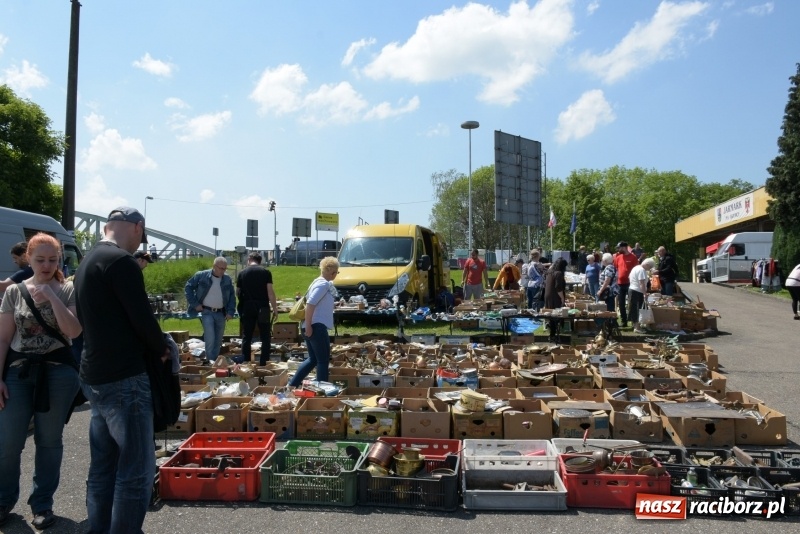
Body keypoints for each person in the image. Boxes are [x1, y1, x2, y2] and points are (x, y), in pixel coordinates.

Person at [74, 207, 168, 534]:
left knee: (103, 466)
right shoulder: (121, 262)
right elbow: (142, 320)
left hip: (94, 374)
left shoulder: (89, 260)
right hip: (124, 376)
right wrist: (162, 349)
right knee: (136, 470)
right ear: (137, 228)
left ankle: (98, 529)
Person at [0, 233, 81, 531]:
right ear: (28, 260)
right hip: (19, 371)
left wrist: (50, 296)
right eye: (40, 260)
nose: (46, 266)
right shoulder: (15, 291)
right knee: (8, 441)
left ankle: (42, 504)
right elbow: (4, 338)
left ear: (59, 259)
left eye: (52, 260)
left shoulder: (68, 289)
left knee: (49, 441)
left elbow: (73, 331)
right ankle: (4, 500)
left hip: (58, 372)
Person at [288, 257, 339, 387]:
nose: (336, 275)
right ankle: (323, 390)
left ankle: (292, 384)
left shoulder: (316, 282)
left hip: (310, 325)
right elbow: (310, 304)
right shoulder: (323, 284)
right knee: (322, 361)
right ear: (332, 272)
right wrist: (309, 326)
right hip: (316, 326)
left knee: (313, 360)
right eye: (336, 272)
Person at [184, 257, 236, 362]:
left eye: (225, 269)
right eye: (221, 268)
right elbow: (188, 287)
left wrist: (230, 311)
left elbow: (231, 296)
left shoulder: (227, 279)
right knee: (210, 337)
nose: (223, 271)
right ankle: (210, 361)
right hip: (206, 311)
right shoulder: (201, 275)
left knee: (218, 340)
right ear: (214, 266)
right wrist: (195, 304)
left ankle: (214, 360)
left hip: (221, 312)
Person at [236, 252, 279, 365]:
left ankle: (246, 362)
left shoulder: (242, 273)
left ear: (249, 259)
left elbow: (238, 292)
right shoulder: (266, 272)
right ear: (260, 261)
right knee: (265, 336)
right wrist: (275, 309)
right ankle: (264, 362)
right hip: (263, 307)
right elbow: (270, 292)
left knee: (247, 335)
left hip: (247, 306)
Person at [613, 241, 639, 328]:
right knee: (621, 303)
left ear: (624, 247)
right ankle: (624, 321)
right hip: (620, 284)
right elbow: (616, 268)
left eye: (619, 248)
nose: (618, 249)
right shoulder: (618, 257)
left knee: (631, 303)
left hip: (630, 284)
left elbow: (637, 269)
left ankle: (632, 321)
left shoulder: (633, 257)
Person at [629, 258, 655, 334]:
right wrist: (645, 293)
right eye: (649, 267)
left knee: (633, 308)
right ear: (647, 264)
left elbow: (629, 277)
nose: (649, 269)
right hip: (638, 291)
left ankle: (635, 325)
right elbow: (642, 284)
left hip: (632, 289)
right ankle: (637, 327)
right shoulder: (642, 270)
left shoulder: (635, 267)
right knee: (638, 309)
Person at [544, 258, 567, 342]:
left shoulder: (549, 272)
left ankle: (552, 334)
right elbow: (558, 288)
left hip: (548, 295)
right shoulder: (558, 273)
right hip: (555, 296)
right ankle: (554, 335)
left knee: (551, 315)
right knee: (556, 315)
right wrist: (562, 298)